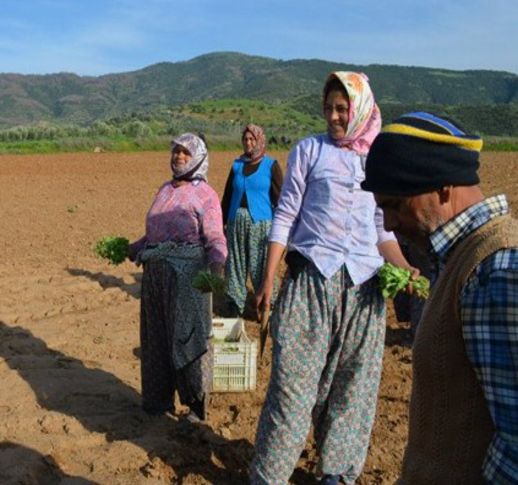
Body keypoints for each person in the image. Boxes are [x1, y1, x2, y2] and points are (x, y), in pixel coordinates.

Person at [249, 72, 412, 485]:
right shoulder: (310, 150)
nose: (334, 117)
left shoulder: (377, 160)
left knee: (353, 390)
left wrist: (407, 269)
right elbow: (285, 216)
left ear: (359, 109)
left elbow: (383, 231)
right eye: (329, 109)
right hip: (310, 283)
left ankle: (335, 475)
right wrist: (268, 279)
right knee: (292, 389)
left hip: (364, 289)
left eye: (343, 109)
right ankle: (268, 476)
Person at [362, 112, 518, 484]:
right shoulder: (462, 259)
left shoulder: (492, 270)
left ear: (444, 188)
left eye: (396, 205)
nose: (388, 224)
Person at [128, 133, 227, 422]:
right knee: (156, 339)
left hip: (187, 279)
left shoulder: (205, 195)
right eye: (176, 152)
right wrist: (134, 247)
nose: (179, 157)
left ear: (198, 157)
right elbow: (155, 232)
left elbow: (215, 237)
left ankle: (195, 406)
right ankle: (158, 402)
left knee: (187, 340)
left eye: (185, 152)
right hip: (155, 277)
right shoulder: (164, 190)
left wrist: (217, 267)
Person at [220, 124, 283, 316]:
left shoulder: (270, 166)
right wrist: (221, 221)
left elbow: (280, 198)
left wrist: (282, 228)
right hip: (235, 222)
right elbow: (228, 195)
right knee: (235, 263)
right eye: (245, 139)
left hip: (261, 225)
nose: (248, 143)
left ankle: (267, 302)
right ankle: (234, 302)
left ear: (259, 140)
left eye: (252, 139)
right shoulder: (237, 165)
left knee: (260, 265)